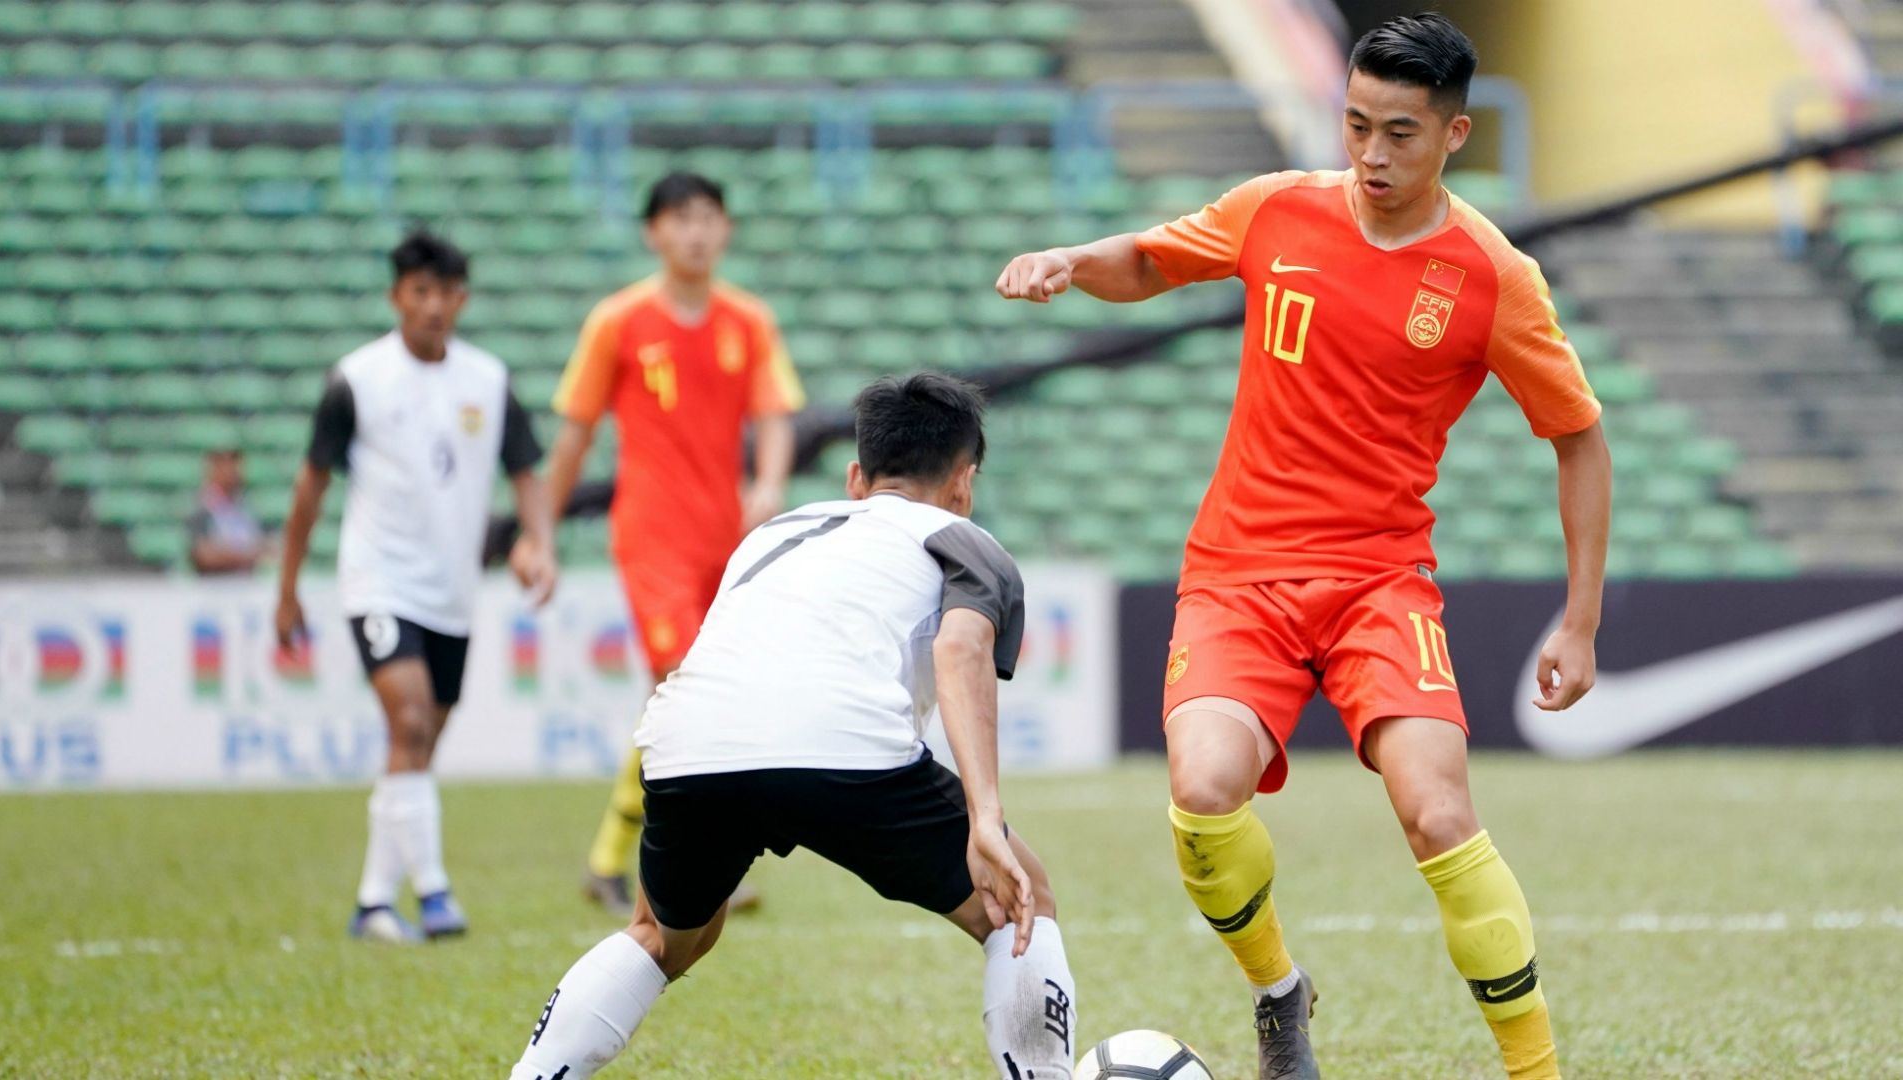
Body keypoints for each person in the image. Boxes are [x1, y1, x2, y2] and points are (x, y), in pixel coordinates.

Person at [995, 14, 1609, 1080]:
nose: (1371, 155)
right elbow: (1149, 261)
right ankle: (1280, 994)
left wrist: (1581, 619)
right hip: (1237, 578)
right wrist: (1070, 262)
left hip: (1382, 585)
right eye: (1357, 126)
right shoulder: (1277, 208)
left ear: (1456, 134)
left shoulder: (1493, 276)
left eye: (1400, 135)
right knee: (1202, 788)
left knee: (1438, 810)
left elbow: (1580, 439)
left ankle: (1537, 1070)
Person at [508, 373, 1076, 1080]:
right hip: (847, 749)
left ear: (855, 477)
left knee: (662, 935)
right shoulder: (965, 539)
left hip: (688, 743)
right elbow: (959, 648)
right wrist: (984, 816)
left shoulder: (774, 533)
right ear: (964, 482)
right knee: (1021, 903)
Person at [519, 171, 803, 914]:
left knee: (682, 701)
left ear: (727, 230)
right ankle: (669, 866)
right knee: (685, 685)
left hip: (728, 542)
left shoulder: (749, 320)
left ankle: (613, 861)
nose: (696, 232)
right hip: (652, 537)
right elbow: (574, 437)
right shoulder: (617, 322)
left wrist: (768, 482)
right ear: (653, 232)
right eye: (680, 219)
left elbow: (775, 415)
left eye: (709, 217)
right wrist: (537, 532)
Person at [275, 229, 558, 943]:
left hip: (452, 591)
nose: (432, 306)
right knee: (407, 723)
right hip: (380, 580)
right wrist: (287, 586)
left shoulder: (488, 382)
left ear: (463, 300)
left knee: (418, 747)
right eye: (419, 292)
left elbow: (527, 474)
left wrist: (538, 542)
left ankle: (373, 901)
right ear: (396, 296)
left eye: (446, 293)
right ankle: (434, 894)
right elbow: (311, 487)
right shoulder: (356, 379)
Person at [187, 448, 267, 575]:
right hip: (214, 587)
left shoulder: (246, 507)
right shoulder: (201, 509)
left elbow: (266, 550)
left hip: (246, 586)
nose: (231, 471)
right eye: (224, 465)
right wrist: (246, 555)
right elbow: (204, 556)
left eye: (234, 464)